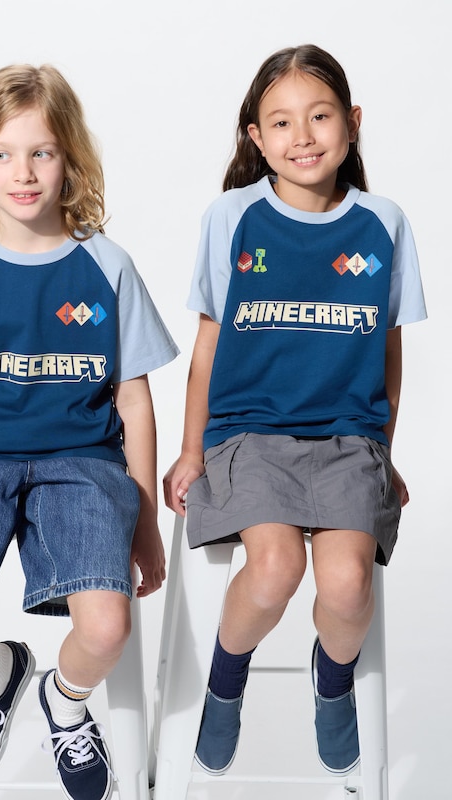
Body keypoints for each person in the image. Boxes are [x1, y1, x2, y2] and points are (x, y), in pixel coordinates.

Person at [0, 63, 178, 800]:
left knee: (107, 627)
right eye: (4, 154)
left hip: (80, 464)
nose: (23, 173)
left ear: (69, 159)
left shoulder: (107, 266)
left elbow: (136, 402)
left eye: (41, 152)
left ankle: (65, 700)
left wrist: (145, 519)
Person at [164, 43, 425, 776]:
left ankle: (332, 680)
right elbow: (207, 346)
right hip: (249, 435)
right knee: (275, 566)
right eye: (280, 122)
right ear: (256, 136)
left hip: (348, 441)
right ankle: (225, 680)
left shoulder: (384, 223)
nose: (302, 136)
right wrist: (191, 451)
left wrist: (382, 452)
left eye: (320, 116)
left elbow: (389, 352)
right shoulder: (233, 217)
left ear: (353, 122)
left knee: (346, 584)